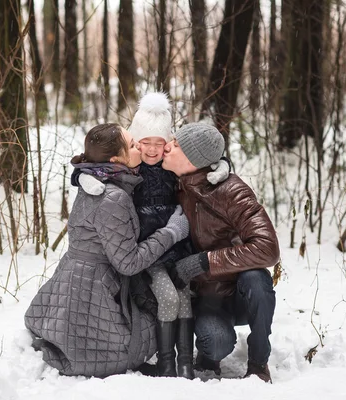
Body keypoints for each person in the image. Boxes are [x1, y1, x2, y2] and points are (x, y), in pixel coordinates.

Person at [74, 93, 231, 379]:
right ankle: (166, 361)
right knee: (168, 297)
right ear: (134, 142)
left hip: (176, 247)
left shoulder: (172, 167)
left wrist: (222, 166)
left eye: (159, 143)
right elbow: (98, 166)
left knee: (183, 296)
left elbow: (202, 160)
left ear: (168, 144)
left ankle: (184, 364)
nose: (151, 149)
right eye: (144, 142)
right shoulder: (130, 165)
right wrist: (84, 178)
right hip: (146, 251)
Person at [24, 123, 190, 378]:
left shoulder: (96, 178)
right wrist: (171, 232)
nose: (139, 148)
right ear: (116, 159)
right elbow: (129, 263)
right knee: (141, 339)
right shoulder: (112, 196)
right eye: (133, 145)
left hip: (76, 275)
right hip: (95, 285)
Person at [162, 122, 280, 383]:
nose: (167, 147)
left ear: (195, 159)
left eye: (177, 145)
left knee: (256, 279)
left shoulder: (231, 191)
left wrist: (204, 262)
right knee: (214, 344)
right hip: (206, 298)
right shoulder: (174, 184)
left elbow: (268, 248)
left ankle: (259, 362)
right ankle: (210, 351)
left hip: (240, 293)